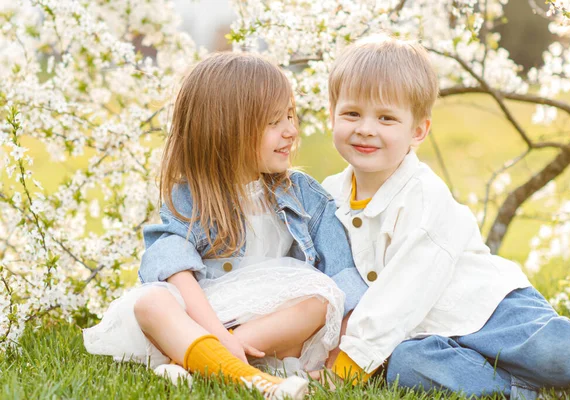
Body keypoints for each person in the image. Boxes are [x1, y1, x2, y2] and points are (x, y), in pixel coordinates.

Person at [321, 35, 570, 398]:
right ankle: (530, 392)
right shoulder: (328, 195)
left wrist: (349, 364)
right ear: (332, 114)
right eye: (352, 113)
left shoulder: (423, 195)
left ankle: (564, 373)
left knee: (551, 353)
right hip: (424, 334)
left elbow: (406, 287)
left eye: (386, 118)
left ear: (417, 130)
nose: (366, 128)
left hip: (491, 311)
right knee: (408, 365)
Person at [83, 52, 368, 400]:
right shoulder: (191, 196)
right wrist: (219, 335)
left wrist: (338, 362)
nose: (292, 131)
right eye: (274, 122)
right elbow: (172, 264)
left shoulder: (304, 195)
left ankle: (201, 364)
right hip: (207, 319)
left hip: (272, 328)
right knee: (151, 301)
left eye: (291, 116)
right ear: (227, 129)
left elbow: (344, 279)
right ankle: (246, 375)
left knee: (324, 299)